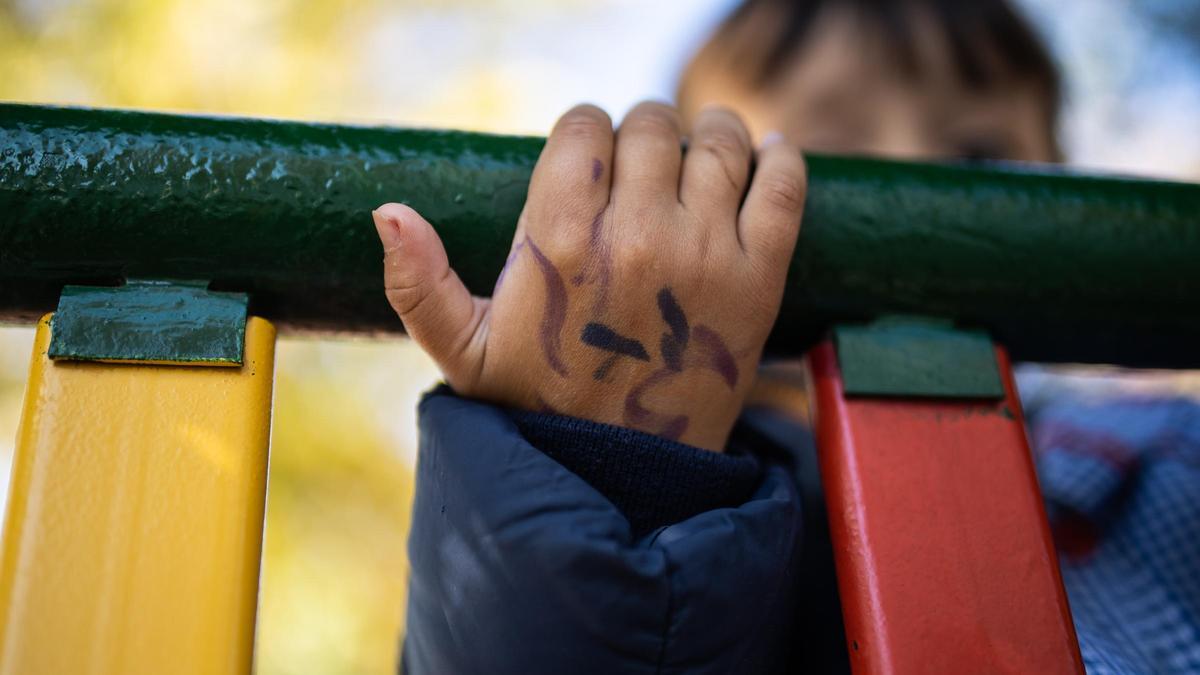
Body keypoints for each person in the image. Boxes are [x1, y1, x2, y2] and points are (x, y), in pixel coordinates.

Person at [372, 0, 1200, 672]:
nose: (915, 176)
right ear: (695, 204)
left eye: (981, 151)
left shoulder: (1160, 457)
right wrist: (596, 456)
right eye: (835, 144)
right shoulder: (745, 518)